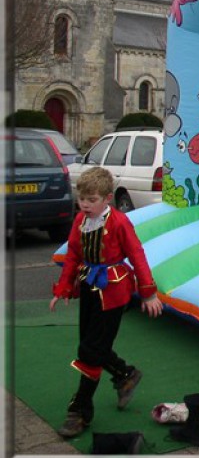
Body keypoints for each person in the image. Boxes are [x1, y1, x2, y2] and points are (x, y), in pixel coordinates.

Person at [50, 166, 163, 439]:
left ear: (107, 198)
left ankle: (79, 411)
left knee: (90, 350)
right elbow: (73, 254)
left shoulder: (120, 222)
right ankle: (125, 374)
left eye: (92, 200)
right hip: (89, 288)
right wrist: (63, 288)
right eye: (82, 199)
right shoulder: (80, 221)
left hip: (113, 292)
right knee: (92, 345)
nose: (85, 205)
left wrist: (148, 292)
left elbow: (137, 254)